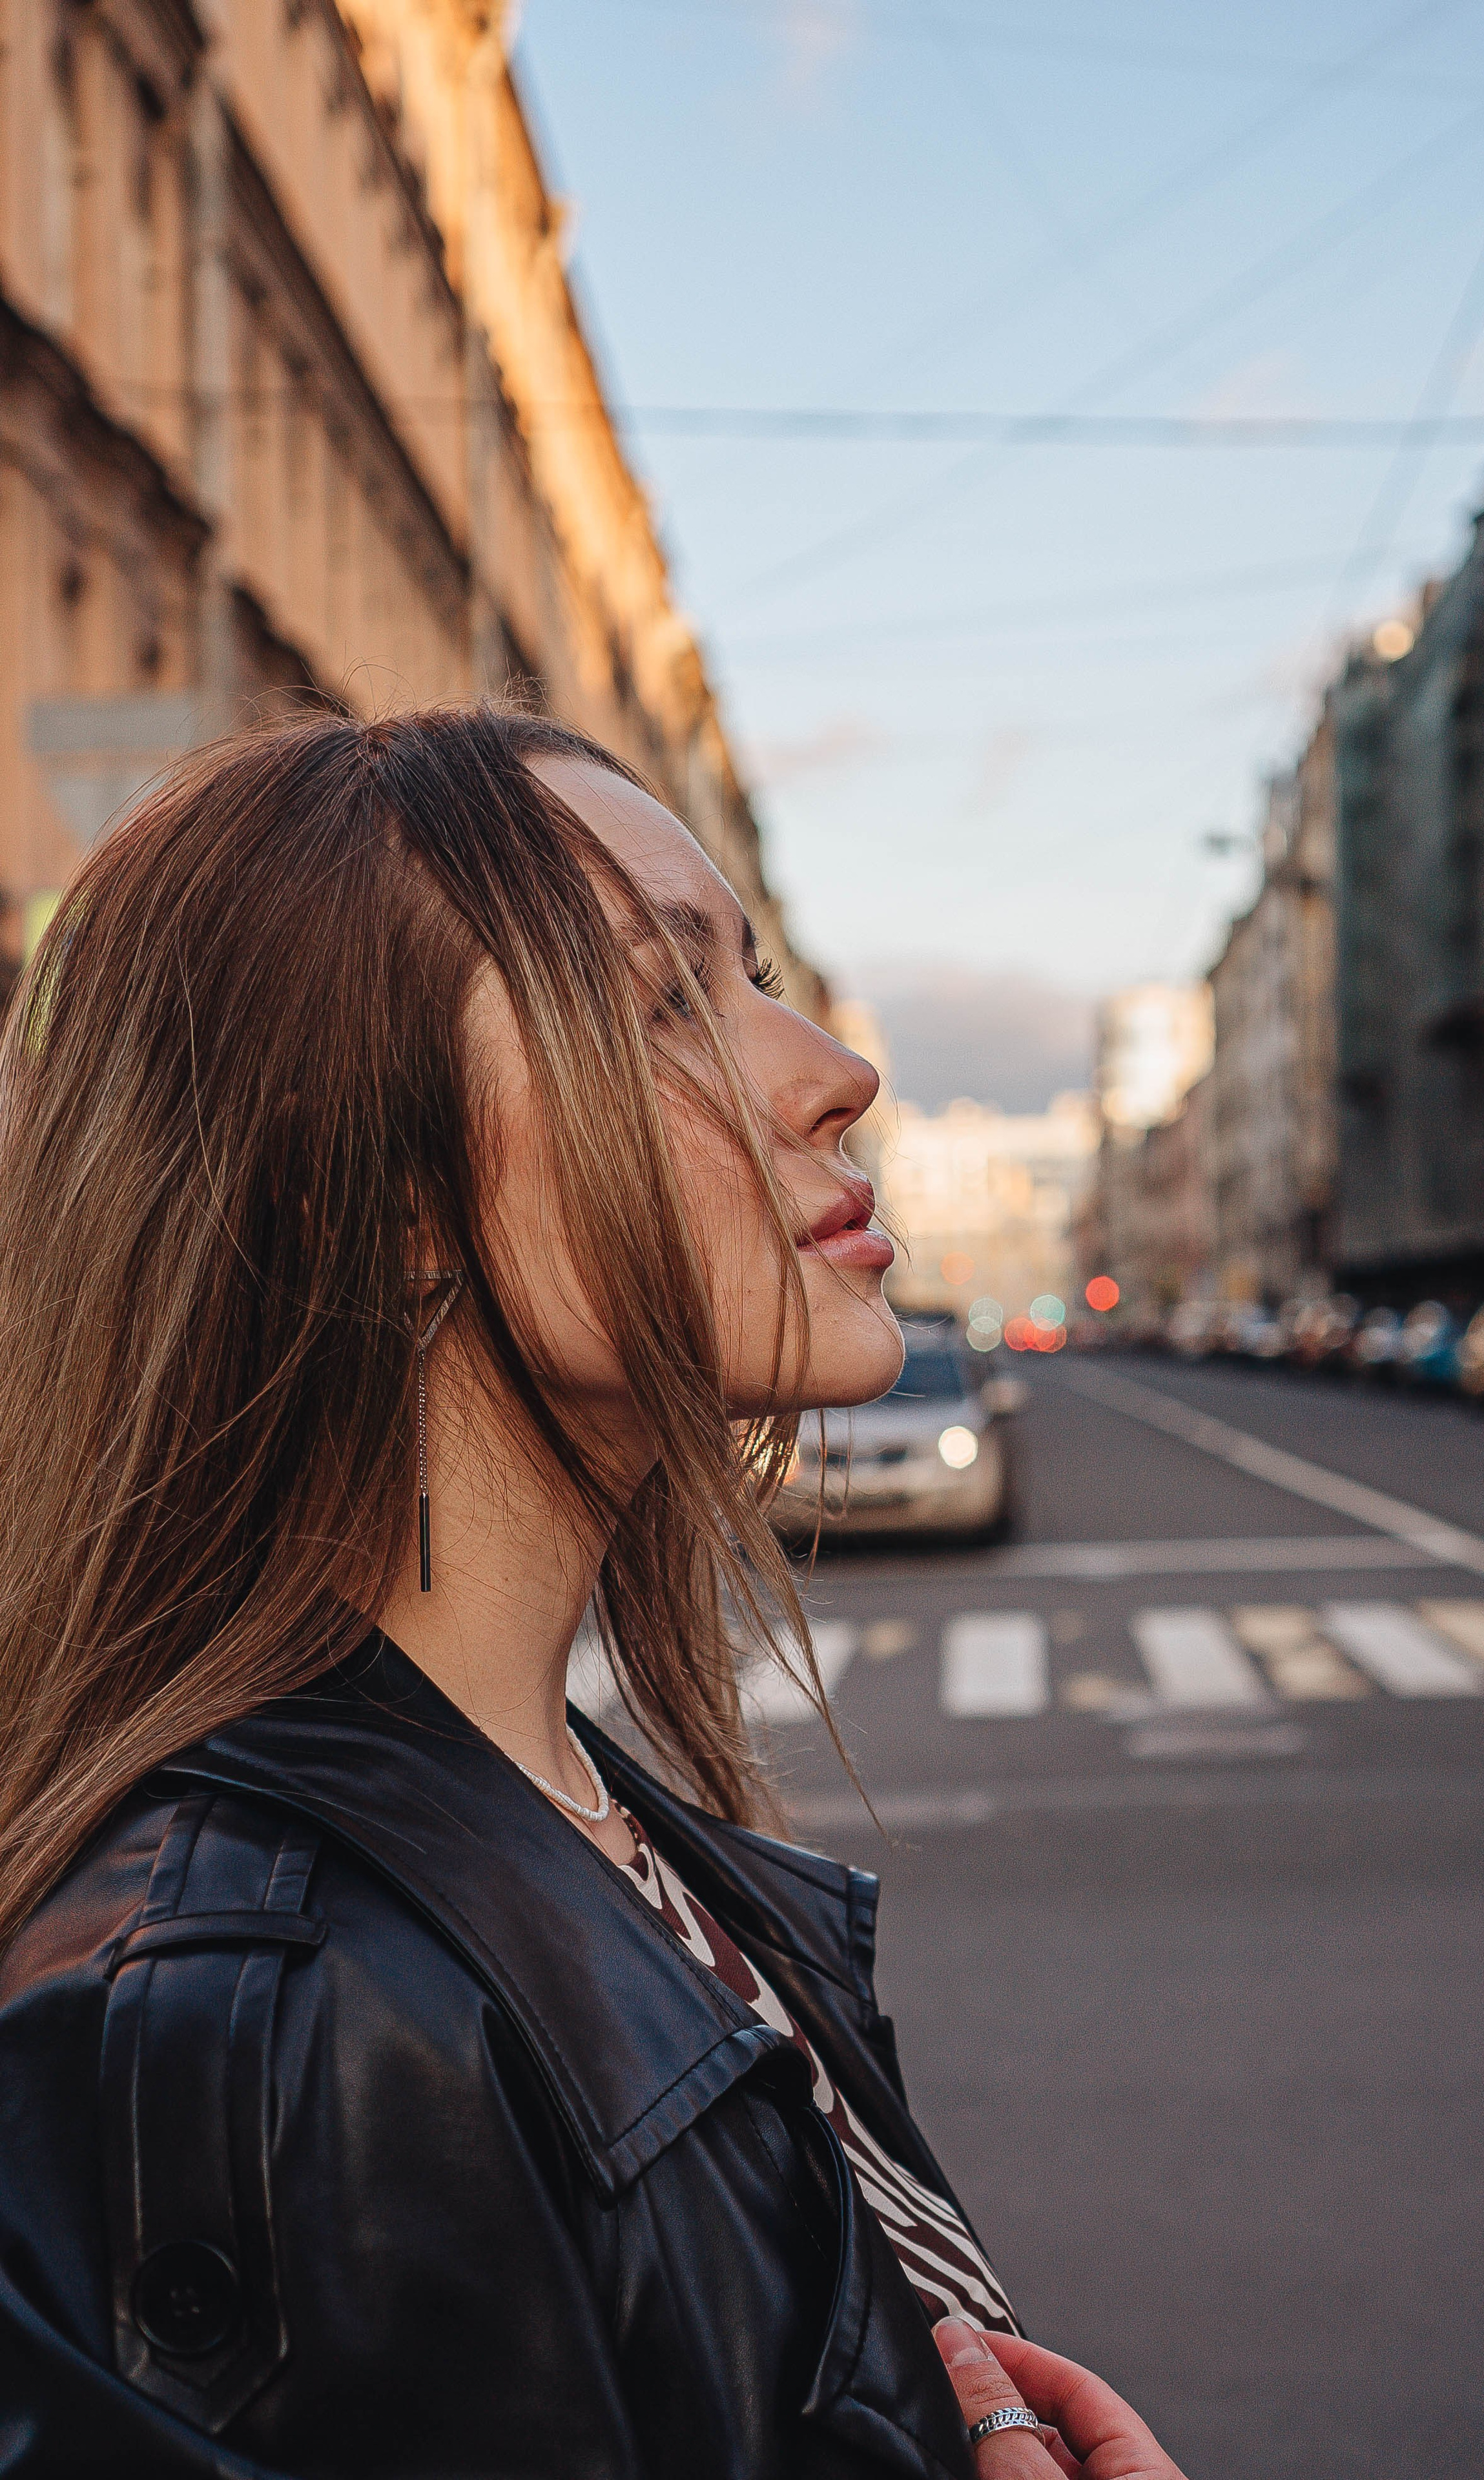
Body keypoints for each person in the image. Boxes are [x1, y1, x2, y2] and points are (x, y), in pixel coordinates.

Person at [0, 707, 1186, 2479]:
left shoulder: (580, 1832)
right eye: (662, 997)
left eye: (758, 974)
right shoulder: (270, 2032)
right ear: (383, 1187)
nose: (834, 1069)